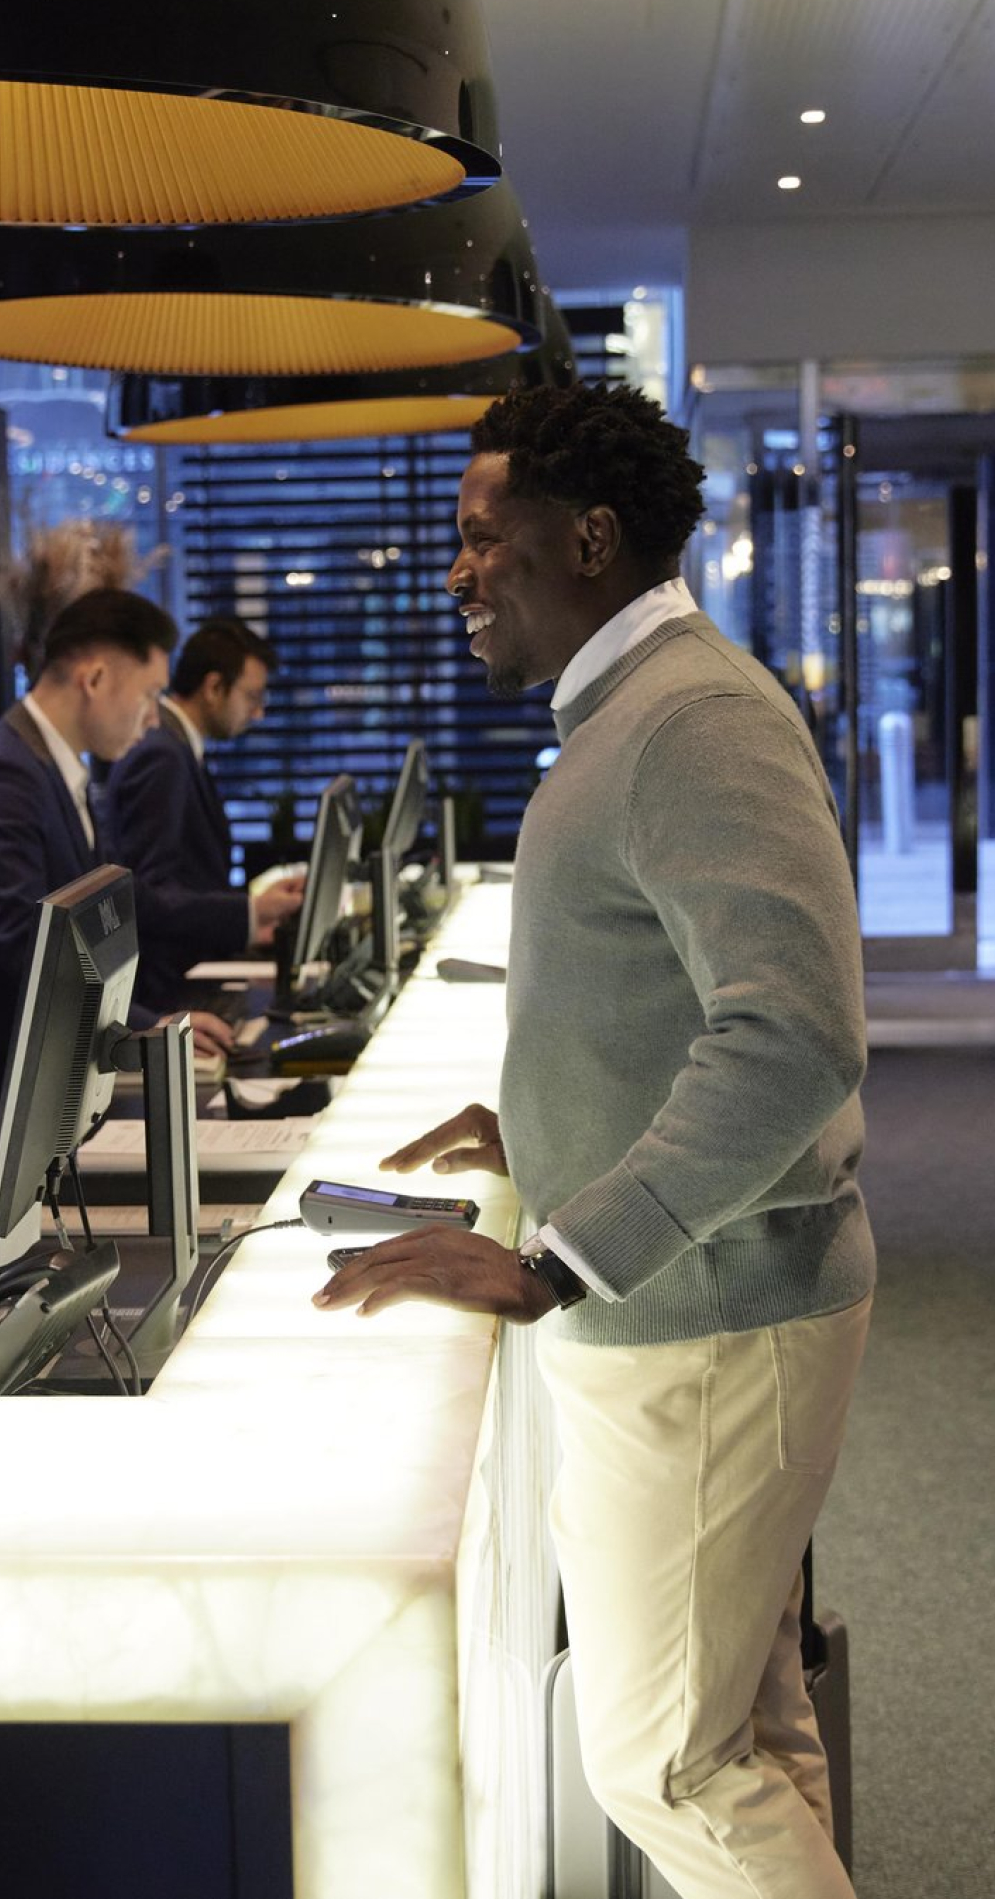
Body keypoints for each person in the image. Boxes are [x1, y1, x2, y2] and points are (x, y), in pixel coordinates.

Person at [315, 385, 875, 1899]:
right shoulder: (644, 714)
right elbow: (685, 997)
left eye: (482, 539)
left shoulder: (689, 721)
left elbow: (795, 1036)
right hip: (708, 1304)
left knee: (663, 1766)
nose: (458, 575)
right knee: (741, 1729)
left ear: (591, 538)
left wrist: (563, 1256)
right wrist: (553, 1099)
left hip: (702, 1318)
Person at [0, 587, 232, 1158]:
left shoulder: (51, 767)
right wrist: (140, 1025)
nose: (153, 717)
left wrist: (150, 1020)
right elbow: (27, 941)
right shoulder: (2, 776)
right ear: (96, 677)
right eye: (149, 694)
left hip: (34, 1082)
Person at [100, 617, 305, 1013]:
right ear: (214, 688)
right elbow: (146, 892)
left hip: (186, 977)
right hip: (166, 991)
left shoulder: (179, 748)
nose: (258, 713)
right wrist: (248, 912)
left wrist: (249, 917)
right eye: (252, 697)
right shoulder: (163, 754)